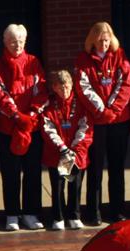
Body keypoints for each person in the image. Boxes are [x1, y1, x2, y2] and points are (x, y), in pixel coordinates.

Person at [0, 23, 48, 231]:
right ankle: (12, 214)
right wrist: (16, 116)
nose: (17, 44)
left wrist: (31, 114)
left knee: (33, 172)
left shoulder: (34, 63)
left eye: (21, 40)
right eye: (13, 40)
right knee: (11, 173)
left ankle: (31, 213)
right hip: (8, 129)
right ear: (5, 42)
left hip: (31, 127)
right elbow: (0, 96)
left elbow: (41, 91)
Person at [74, 21, 130, 225]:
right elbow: (83, 88)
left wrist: (113, 110)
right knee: (95, 168)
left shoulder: (120, 57)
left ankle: (117, 210)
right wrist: (102, 110)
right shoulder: (83, 60)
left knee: (117, 167)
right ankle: (94, 211)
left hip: (119, 121)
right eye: (100, 41)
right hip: (96, 122)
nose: (104, 44)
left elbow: (125, 84)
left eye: (107, 40)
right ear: (93, 40)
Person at [40, 70, 93, 230]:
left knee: (75, 185)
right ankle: (58, 216)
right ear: (55, 87)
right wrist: (62, 148)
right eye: (60, 87)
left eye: (67, 87)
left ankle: (74, 215)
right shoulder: (49, 105)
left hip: (77, 152)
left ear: (72, 86)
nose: (64, 91)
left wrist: (75, 148)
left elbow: (86, 127)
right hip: (57, 153)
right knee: (58, 186)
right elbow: (47, 128)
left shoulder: (80, 104)